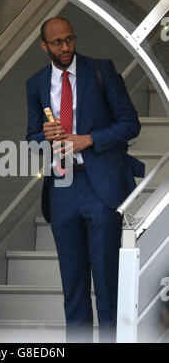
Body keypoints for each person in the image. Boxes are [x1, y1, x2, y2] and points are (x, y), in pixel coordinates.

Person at [26, 17, 145, 343]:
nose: (66, 48)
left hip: (101, 187)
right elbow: (31, 139)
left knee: (108, 283)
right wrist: (45, 136)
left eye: (70, 39)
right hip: (62, 188)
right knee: (73, 285)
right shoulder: (36, 84)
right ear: (44, 46)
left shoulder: (101, 70)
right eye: (57, 43)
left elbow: (130, 124)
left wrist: (89, 139)